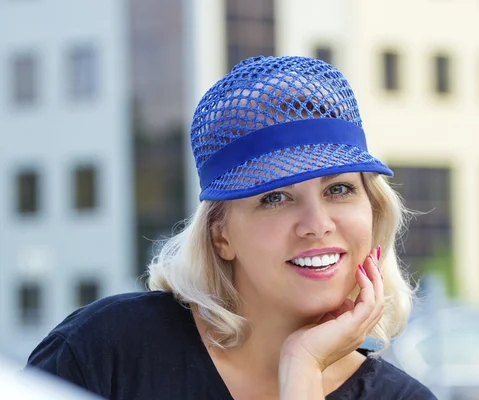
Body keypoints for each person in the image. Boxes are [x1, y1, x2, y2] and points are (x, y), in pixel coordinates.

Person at [26, 56, 437, 399]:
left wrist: (302, 369)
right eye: (274, 197)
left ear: (374, 210)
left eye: (340, 189)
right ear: (221, 236)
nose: (317, 225)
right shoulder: (105, 352)